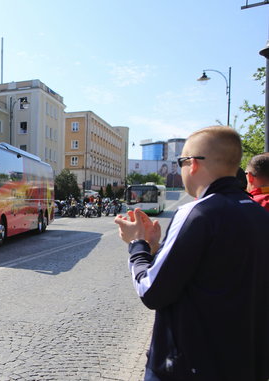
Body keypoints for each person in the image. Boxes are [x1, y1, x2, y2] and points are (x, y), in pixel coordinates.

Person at [114, 126, 269, 380]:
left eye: (181, 162)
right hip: (245, 363)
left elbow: (152, 291)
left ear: (193, 164)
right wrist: (156, 250)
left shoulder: (196, 212)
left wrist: (137, 244)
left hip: (188, 365)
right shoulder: (259, 213)